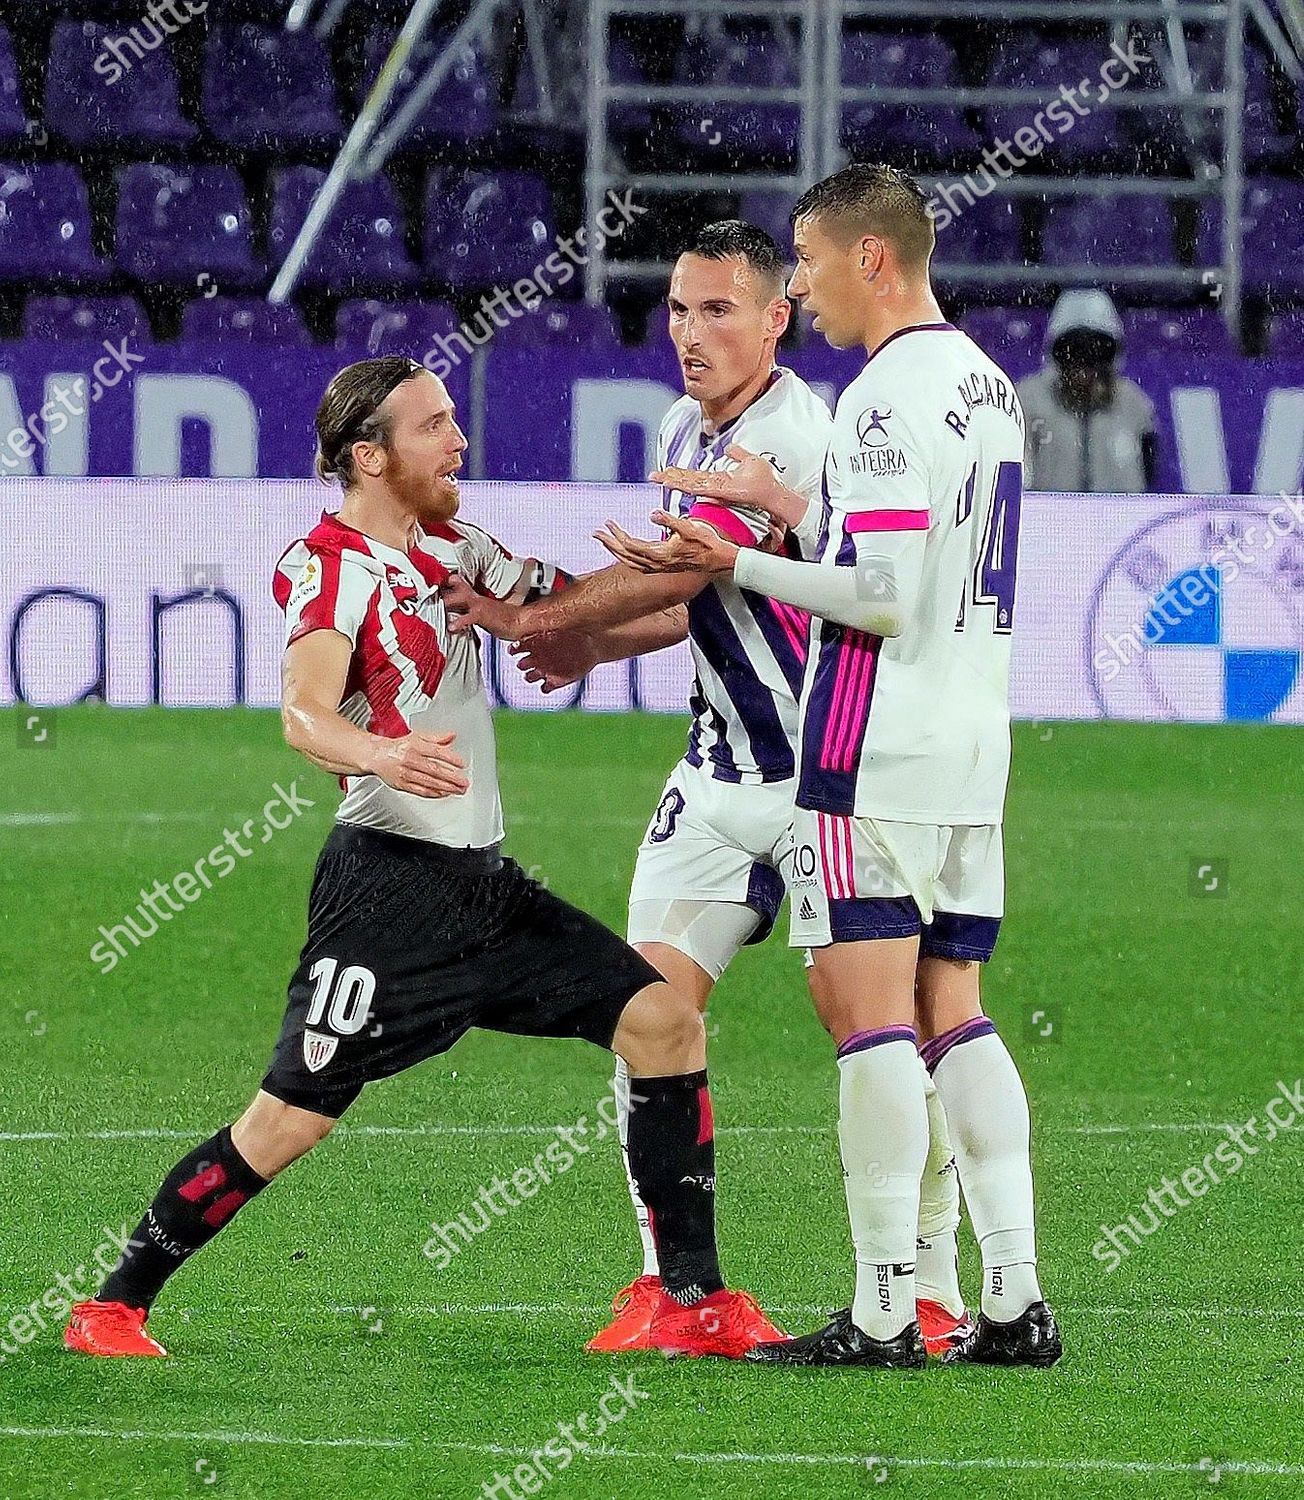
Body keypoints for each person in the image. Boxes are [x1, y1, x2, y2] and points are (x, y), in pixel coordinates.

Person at [63, 356, 781, 1361]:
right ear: (370, 454)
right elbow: (304, 712)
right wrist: (378, 749)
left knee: (663, 1022)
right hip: (385, 895)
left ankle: (688, 1300)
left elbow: (581, 604)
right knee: (286, 1123)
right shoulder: (329, 563)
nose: (459, 441)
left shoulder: (459, 547)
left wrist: (738, 559)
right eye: (434, 426)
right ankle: (114, 1303)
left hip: (484, 889)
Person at [442, 221, 975, 1357]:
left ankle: (926, 1288)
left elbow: (684, 564)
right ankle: (682, 1295)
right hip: (714, 776)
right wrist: (588, 651)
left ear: (775, 317)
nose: (690, 334)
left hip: (818, 780)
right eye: (678, 310)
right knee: (648, 1014)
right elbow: (707, 598)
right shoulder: (689, 426)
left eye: (717, 310)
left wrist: (533, 617)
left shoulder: (796, 435)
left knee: (867, 1022)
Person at [603, 163, 1063, 1369]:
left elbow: (877, 596)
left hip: (870, 739)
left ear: (869, 259)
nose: (796, 287)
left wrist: (735, 555)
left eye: (804, 262)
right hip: (974, 738)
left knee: (861, 1017)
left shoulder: (875, 398)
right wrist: (797, 518)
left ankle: (879, 1310)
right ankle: (1009, 1295)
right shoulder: (988, 385)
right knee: (949, 1012)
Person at [1017, 288, 1157, 492]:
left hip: (1121, 519)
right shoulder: (1030, 400)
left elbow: (1147, 471)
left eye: (1097, 351)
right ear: (1057, 355)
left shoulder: (1133, 403)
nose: (1085, 366)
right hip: (1050, 518)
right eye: (1074, 351)